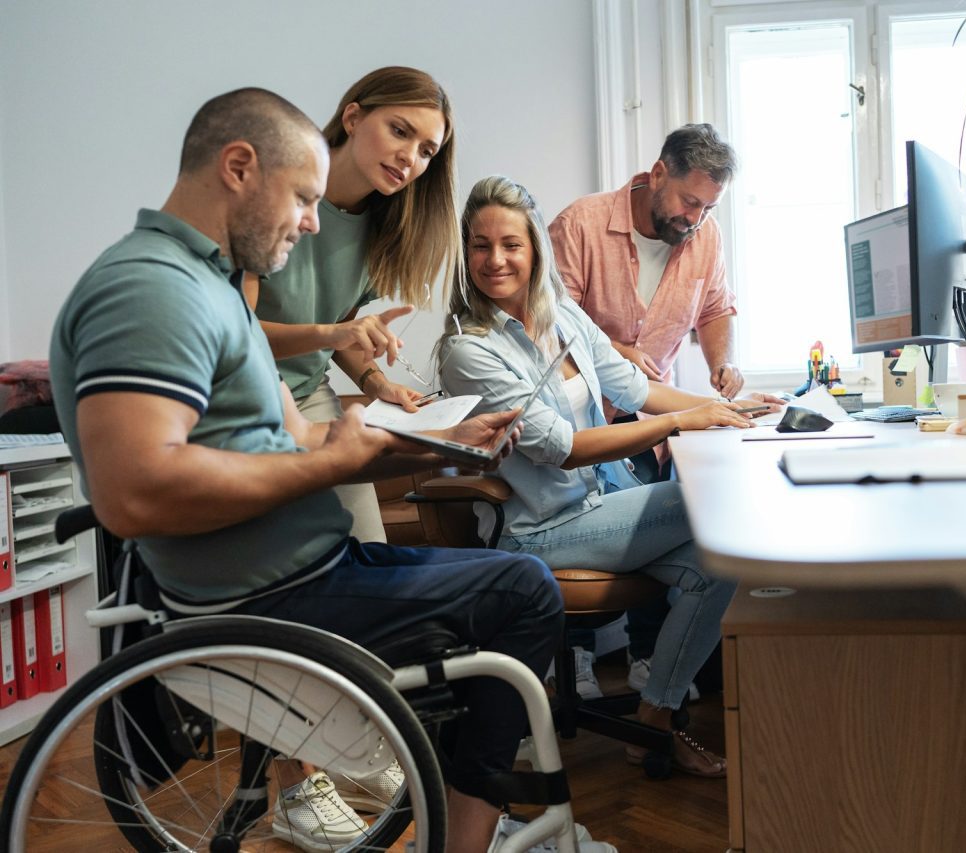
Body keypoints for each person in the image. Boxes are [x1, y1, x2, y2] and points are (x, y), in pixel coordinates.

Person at [46, 88, 584, 853]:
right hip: (268, 594)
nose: (310, 221)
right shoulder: (150, 289)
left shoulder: (212, 288)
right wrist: (334, 460)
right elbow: (135, 493)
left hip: (301, 570)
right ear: (239, 167)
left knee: (511, 588)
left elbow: (299, 437)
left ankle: (458, 828)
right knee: (523, 589)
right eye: (302, 197)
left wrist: (442, 443)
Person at [437, 175, 783, 778]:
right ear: (465, 255)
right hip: (545, 529)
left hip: (603, 504)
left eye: (511, 244)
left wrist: (730, 408)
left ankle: (654, 720)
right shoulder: (469, 350)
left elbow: (633, 388)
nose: (496, 260)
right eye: (480, 246)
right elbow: (561, 449)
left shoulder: (563, 315)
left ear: (535, 250)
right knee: (718, 502)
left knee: (718, 566)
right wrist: (685, 422)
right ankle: (662, 721)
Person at [549, 123, 742, 686]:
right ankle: (575, 660)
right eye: (689, 202)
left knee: (653, 537)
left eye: (708, 208)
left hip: (647, 414)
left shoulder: (705, 237)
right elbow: (549, 323)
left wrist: (721, 365)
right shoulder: (581, 224)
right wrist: (617, 351)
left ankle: (647, 662)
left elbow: (715, 309)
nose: (695, 218)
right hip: (580, 419)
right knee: (593, 536)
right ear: (659, 174)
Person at [247, 66, 462, 543]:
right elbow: (237, 337)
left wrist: (376, 382)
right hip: (240, 399)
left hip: (309, 397)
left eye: (427, 151)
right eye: (400, 131)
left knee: (368, 547)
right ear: (352, 118)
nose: (409, 158)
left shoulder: (382, 229)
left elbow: (338, 325)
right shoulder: (272, 196)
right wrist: (336, 334)